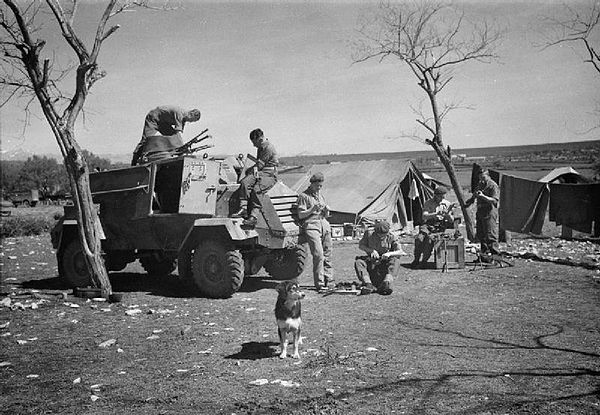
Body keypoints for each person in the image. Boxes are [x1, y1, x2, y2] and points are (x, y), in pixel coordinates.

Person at [231, 128, 279, 228]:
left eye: (254, 142)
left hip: (269, 175)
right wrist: (250, 174)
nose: (253, 145)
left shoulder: (268, 148)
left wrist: (249, 170)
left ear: (260, 139)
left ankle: (253, 217)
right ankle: (243, 208)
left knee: (257, 189)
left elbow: (259, 165)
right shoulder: (260, 148)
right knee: (245, 182)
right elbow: (257, 167)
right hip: (260, 173)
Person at [296, 172, 334, 293]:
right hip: (312, 225)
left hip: (323, 224)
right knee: (318, 254)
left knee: (328, 254)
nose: (319, 188)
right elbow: (301, 215)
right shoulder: (303, 196)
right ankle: (320, 283)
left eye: (321, 186)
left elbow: (324, 214)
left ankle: (330, 280)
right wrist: (312, 209)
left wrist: (327, 211)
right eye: (317, 185)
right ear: (312, 184)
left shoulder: (320, 195)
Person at [132, 106, 201, 165]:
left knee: (174, 139)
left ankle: (173, 154)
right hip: (153, 118)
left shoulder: (184, 119)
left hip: (163, 122)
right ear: (191, 114)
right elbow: (177, 134)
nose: (190, 122)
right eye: (192, 120)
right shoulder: (180, 114)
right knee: (146, 140)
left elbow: (177, 137)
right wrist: (183, 148)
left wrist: (182, 148)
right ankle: (135, 160)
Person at [354, 219, 405, 295]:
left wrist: (389, 254)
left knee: (395, 261)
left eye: (383, 235)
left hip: (385, 262)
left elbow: (400, 251)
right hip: (372, 261)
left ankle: (386, 283)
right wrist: (371, 250)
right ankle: (368, 284)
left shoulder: (392, 236)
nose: (381, 237)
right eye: (379, 235)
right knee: (359, 262)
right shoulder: (369, 234)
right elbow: (361, 246)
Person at [412, 186, 455, 268]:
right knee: (419, 239)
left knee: (429, 240)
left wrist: (447, 214)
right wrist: (435, 214)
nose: (442, 198)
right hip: (428, 225)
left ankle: (424, 261)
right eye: (440, 196)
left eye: (443, 196)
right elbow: (424, 216)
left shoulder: (447, 204)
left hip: (440, 226)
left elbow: (451, 220)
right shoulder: (428, 203)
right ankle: (416, 259)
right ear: (435, 195)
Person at [465, 170, 500, 260]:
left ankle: (495, 257)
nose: (481, 180)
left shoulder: (493, 185)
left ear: (488, 176)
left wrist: (483, 196)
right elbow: (474, 197)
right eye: (480, 178)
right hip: (480, 211)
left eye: (483, 177)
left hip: (489, 211)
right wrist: (468, 202)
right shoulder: (480, 185)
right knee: (481, 234)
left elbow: (495, 200)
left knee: (490, 234)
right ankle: (484, 256)